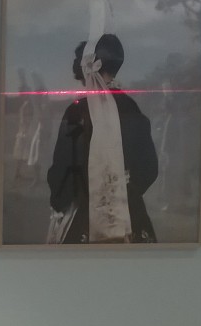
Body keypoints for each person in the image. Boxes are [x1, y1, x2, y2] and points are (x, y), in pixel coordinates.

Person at [44, 33, 159, 243]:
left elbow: (63, 170)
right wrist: (122, 192)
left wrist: (61, 201)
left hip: (85, 215)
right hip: (129, 216)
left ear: (88, 68)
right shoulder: (132, 108)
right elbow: (149, 168)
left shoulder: (77, 112)